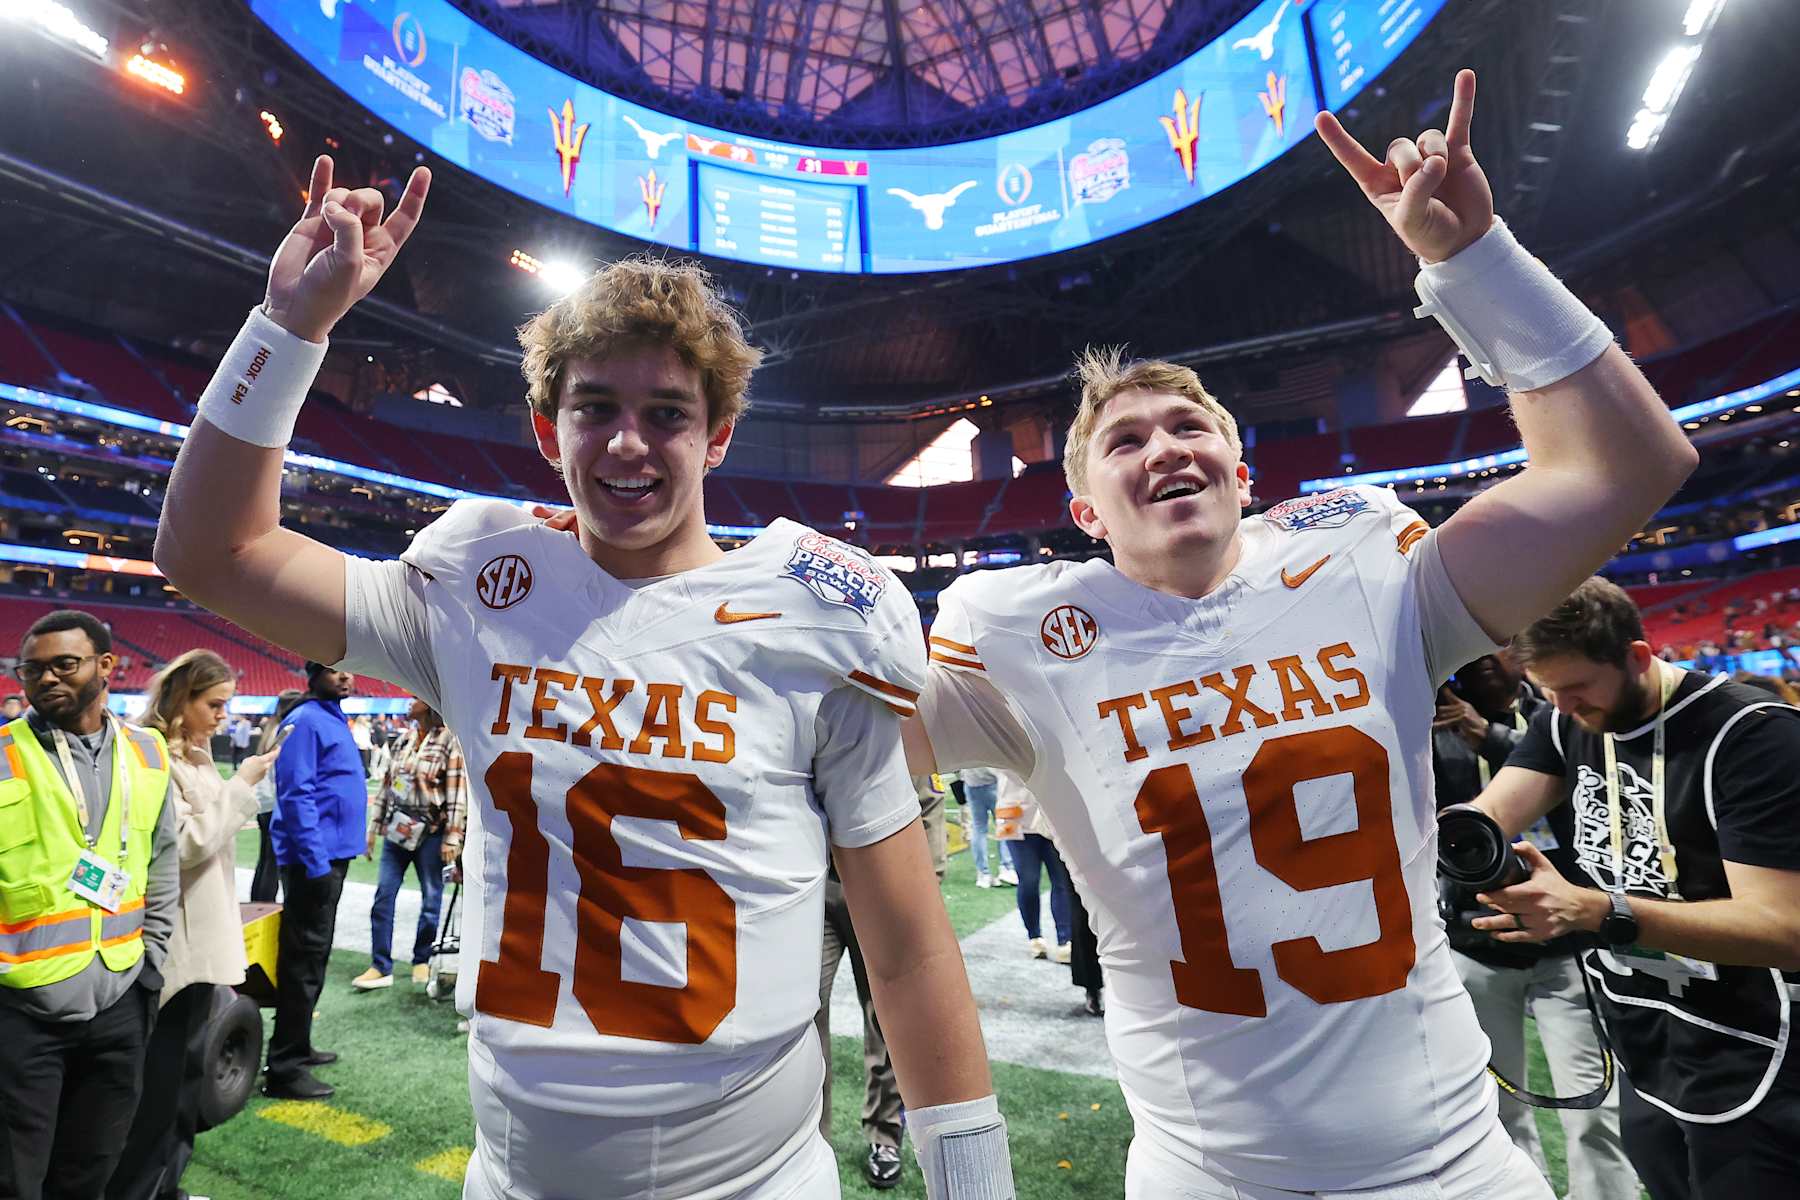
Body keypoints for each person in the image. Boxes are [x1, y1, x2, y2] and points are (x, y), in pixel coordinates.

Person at [903, 69, 1698, 1199]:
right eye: (1123, 441)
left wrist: (1473, 261)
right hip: (1207, 1174)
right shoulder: (1027, 636)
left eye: (1189, 425)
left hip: (1452, 1164)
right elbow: (822, 735)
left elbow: (1632, 465)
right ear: (1085, 513)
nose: (1163, 446)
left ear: (1242, 469)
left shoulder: (1366, 570)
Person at [152, 156, 1010, 1199]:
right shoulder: (479, 586)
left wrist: (976, 1185)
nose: (627, 442)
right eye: (594, 406)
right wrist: (289, 328)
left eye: (668, 414)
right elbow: (210, 551)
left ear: (720, 435)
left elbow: (910, 951)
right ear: (545, 427)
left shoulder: (817, 613)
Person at [1472, 577, 1800, 1200]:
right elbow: (1485, 822)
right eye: (1549, 693)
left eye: (1577, 690)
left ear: (1639, 656)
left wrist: (1600, 911)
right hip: (1645, 1036)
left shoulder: (1753, 735)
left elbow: (1787, 930)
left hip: (1757, 1042)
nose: (1564, 709)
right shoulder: (1567, 719)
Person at [1432, 654, 1637, 1200]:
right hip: (1476, 937)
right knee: (1496, 1112)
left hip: (1569, 937)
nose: (1483, 660)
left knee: (1595, 1105)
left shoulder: (1560, 714)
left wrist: (1488, 736)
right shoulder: (1428, 727)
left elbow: (1586, 795)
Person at [0, 610, 178, 1200]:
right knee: (14, 1179)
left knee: (91, 1170)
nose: (47, 679)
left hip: (121, 1000)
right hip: (20, 1009)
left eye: (64, 665)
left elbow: (163, 860)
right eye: (33, 670)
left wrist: (150, 963)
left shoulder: (148, 751)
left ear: (105, 666)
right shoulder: (4, 752)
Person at [108, 651, 281, 1200]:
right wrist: (244, 783)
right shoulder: (151, 755)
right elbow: (183, 845)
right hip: (173, 947)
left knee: (183, 1081)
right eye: (214, 704)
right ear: (181, 698)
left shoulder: (195, 754)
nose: (223, 716)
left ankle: (166, 1186)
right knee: (158, 1089)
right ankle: (139, 1190)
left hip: (201, 940)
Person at [816, 772, 948, 1191]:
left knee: (885, 1018)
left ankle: (884, 1134)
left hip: (882, 892)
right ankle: (809, 1138)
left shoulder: (895, 714)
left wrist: (924, 889)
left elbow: (928, 802)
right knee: (802, 1012)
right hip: (815, 889)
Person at [262, 661, 364, 1100]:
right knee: (302, 961)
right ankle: (284, 1067)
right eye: (334, 670)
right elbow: (296, 792)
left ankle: (298, 1046)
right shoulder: (304, 720)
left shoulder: (329, 717)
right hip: (312, 861)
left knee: (313, 957)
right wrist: (317, 863)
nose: (345, 676)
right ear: (313, 673)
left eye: (349, 671)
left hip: (328, 855)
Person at [354, 697, 467, 990]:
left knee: (431, 900)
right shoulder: (403, 740)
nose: (407, 702)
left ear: (429, 704)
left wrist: (453, 835)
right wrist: (372, 828)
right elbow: (388, 786)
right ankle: (380, 965)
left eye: (413, 697)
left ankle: (422, 958)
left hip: (430, 832)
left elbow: (456, 794)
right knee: (383, 896)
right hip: (397, 832)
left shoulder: (448, 741)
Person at [994, 770, 1072, 961]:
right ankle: (1035, 937)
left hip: (1052, 816)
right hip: (1015, 816)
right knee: (1028, 880)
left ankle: (1066, 939)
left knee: (1061, 880)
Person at [248, 689, 304, 905]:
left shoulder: (271, 729)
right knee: (273, 860)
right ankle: (264, 905)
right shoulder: (285, 731)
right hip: (274, 802)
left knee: (265, 859)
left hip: (264, 801)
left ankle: (259, 902)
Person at [958, 767, 1015, 888]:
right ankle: (1007, 867)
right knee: (1005, 823)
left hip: (971, 783)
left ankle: (983, 874)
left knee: (979, 829)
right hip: (993, 782)